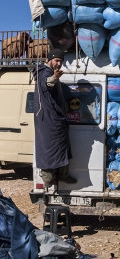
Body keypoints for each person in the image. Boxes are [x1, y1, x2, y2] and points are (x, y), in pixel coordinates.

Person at [33, 48, 76, 188]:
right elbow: (47, 84)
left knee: (62, 147)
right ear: (50, 59)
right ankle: (48, 179)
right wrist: (55, 78)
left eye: (61, 62)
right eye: (57, 60)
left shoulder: (51, 72)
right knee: (49, 149)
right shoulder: (44, 73)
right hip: (48, 121)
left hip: (57, 121)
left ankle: (63, 175)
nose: (59, 64)